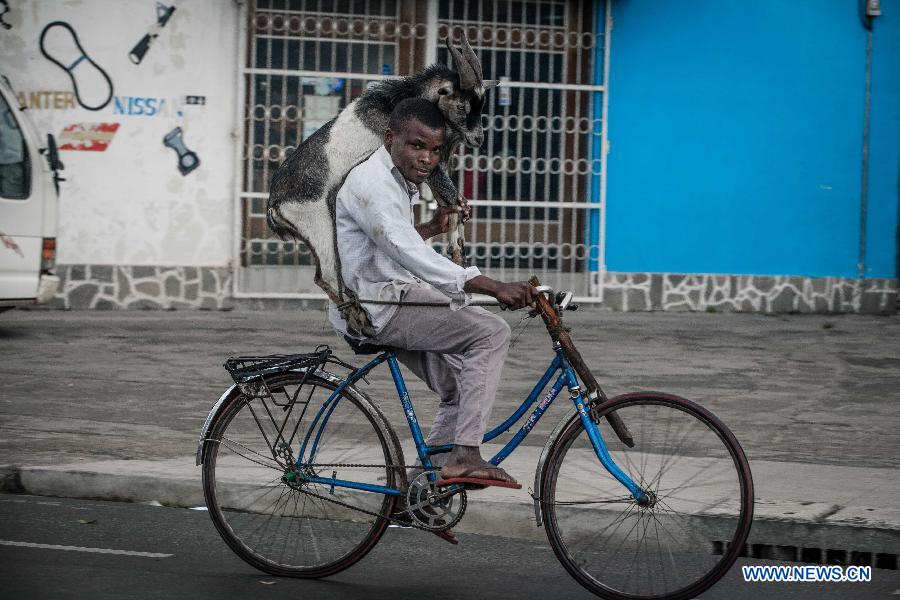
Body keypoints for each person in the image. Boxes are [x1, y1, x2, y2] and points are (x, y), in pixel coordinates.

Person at [328, 97, 538, 512]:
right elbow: (407, 254)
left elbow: (391, 246)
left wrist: (431, 227)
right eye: (417, 146)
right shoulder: (372, 184)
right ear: (391, 139)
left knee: (462, 389)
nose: (427, 159)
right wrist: (491, 286)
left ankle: (418, 496)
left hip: (386, 296)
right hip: (378, 307)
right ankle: (465, 455)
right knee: (492, 332)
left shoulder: (395, 181)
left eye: (435, 150)